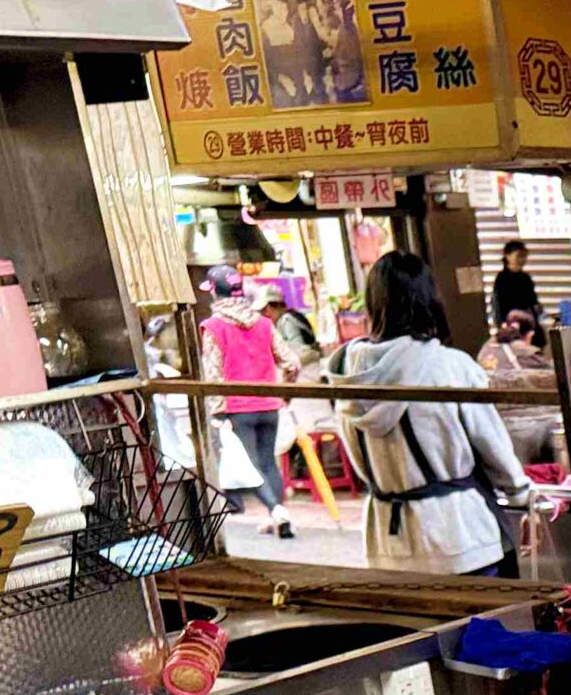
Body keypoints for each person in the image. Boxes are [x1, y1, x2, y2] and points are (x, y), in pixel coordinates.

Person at [331, 252, 533, 578]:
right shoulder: (449, 366)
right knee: (481, 628)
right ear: (427, 298)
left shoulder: (346, 371)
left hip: (386, 544)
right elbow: (493, 447)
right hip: (459, 538)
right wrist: (522, 494)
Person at [200, 263, 300, 541]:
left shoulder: (213, 327)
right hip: (270, 406)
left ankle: (277, 511)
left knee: (250, 467)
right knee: (268, 463)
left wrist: (217, 411)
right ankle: (278, 516)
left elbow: (213, 373)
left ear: (215, 294)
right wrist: (286, 394)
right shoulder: (264, 324)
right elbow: (292, 363)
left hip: (238, 409)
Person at [491, 241, 541, 334]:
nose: (522, 259)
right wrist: (502, 325)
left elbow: (533, 302)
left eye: (524, 256)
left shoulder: (525, 278)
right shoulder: (502, 279)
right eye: (518, 256)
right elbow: (498, 305)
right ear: (508, 256)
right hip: (511, 325)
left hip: (529, 324)